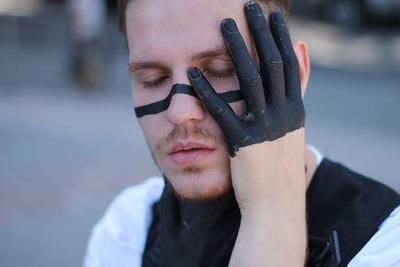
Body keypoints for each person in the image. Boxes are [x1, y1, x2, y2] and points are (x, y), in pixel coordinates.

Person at [83, 0, 400, 266]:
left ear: (296, 73)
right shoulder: (129, 227)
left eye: (222, 70)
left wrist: (270, 211)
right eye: (152, 79)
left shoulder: (385, 238)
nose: (180, 112)